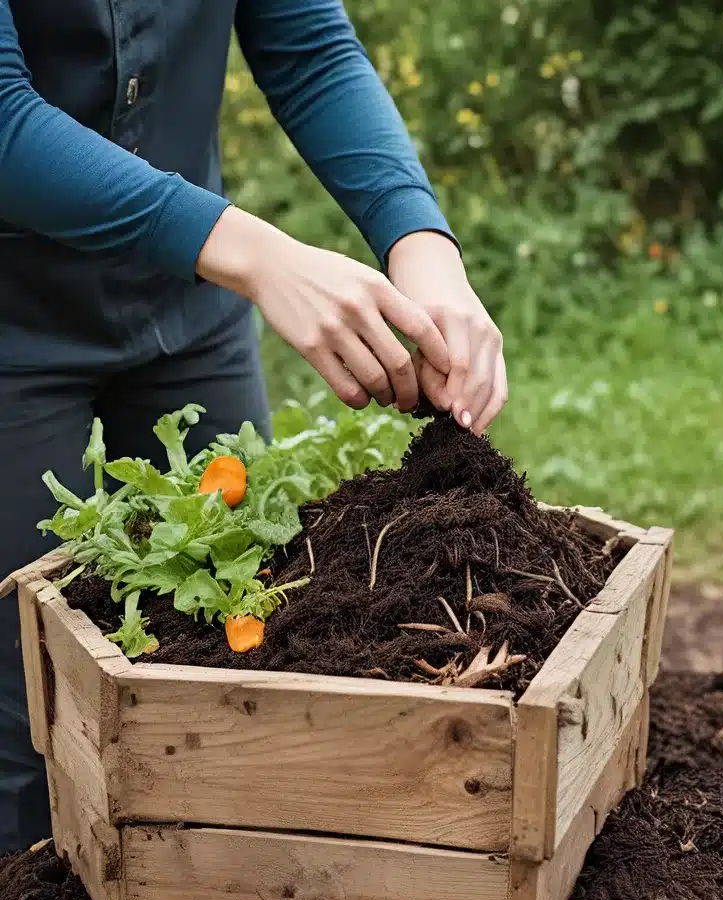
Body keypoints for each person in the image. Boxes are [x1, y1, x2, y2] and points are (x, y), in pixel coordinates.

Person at [0, 0, 507, 854]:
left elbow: (307, 44)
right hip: (13, 326)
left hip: (189, 310)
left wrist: (422, 247)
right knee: (27, 715)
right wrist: (264, 257)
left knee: (246, 644)